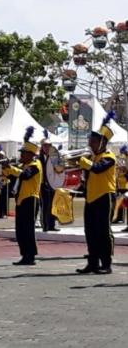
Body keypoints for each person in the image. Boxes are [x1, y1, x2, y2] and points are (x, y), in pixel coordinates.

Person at [76, 112, 117, 274]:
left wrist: (85, 162)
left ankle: (106, 264)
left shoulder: (109, 157)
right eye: (90, 141)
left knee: (103, 231)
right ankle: (92, 262)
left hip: (105, 196)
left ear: (102, 142)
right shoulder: (92, 157)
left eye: (93, 141)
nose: (90, 144)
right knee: (90, 230)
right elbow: (88, 175)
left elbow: (99, 169)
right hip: (91, 198)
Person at [3, 127, 42, 266]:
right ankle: (24, 254)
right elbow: (15, 179)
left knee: (28, 229)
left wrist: (12, 169)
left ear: (31, 154)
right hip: (21, 199)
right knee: (20, 229)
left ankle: (30, 255)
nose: (22, 156)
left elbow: (26, 176)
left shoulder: (35, 165)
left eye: (24, 153)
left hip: (31, 199)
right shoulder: (23, 165)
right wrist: (6, 169)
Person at [38, 130, 63, 232]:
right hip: (43, 184)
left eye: (49, 145)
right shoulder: (38, 158)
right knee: (45, 206)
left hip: (52, 184)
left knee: (53, 205)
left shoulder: (54, 157)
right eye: (45, 146)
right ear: (42, 147)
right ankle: (45, 225)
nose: (47, 147)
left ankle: (52, 225)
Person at [0, 146, 10, 219]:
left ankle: (5, 213)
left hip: (5, 182)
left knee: (4, 199)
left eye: (1, 156)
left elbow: (8, 174)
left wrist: (4, 167)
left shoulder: (7, 165)